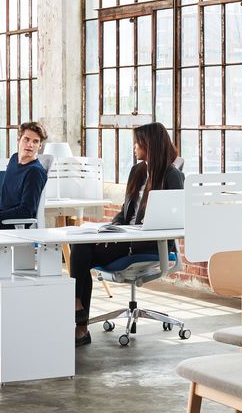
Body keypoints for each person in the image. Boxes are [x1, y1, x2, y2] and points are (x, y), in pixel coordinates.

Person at [68, 122, 183, 347]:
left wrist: (127, 234)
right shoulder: (137, 171)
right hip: (124, 236)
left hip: (149, 243)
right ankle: (78, 310)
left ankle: (80, 322)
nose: (134, 146)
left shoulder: (171, 176)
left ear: (150, 145)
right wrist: (111, 229)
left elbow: (174, 220)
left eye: (138, 141)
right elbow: (124, 211)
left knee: (82, 252)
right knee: (81, 246)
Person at [0, 121, 50, 228]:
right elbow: (4, 196)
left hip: (9, 225)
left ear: (40, 146)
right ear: (18, 140)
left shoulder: (35, 172)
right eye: (26, 139)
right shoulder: (14, 159)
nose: (30, 144)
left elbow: (26, 212)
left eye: (35, 141)